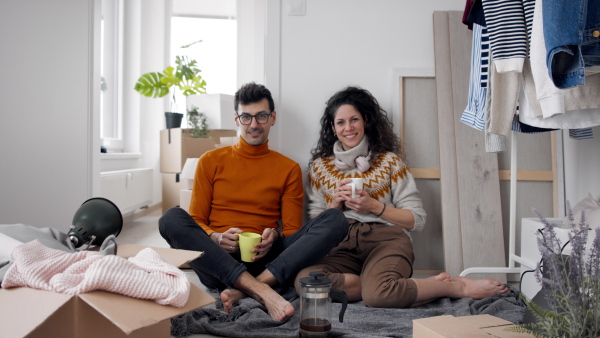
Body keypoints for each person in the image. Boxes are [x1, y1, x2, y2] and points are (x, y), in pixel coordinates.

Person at [295, 86, 509, 308]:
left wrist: (375, 206)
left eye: (354, 120)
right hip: (341, 243)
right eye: (340, 122)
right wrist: (334, 206)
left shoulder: (389, 162)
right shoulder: (320, 168)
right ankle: (382, 284)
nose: (348, 128)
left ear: (365, 120)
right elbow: (314, 227)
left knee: (378, 297)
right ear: (332, 126)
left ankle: (456, 287)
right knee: (305, 283)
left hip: (385, 239)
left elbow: (416, 219)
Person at [159, 82, 348, 320]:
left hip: (266, 262)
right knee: (171, 218)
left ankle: (247, 287)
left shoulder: (288, 168)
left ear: (272, 118)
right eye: (246, 117)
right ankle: (261, 290)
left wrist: (275, 236)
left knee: (335, 219)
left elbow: (291, 231)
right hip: (216, 261)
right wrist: (215, 237)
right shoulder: (210, 160)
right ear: (237, 119)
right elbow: (196, 220)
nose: (254, 125)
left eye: (261, 116)